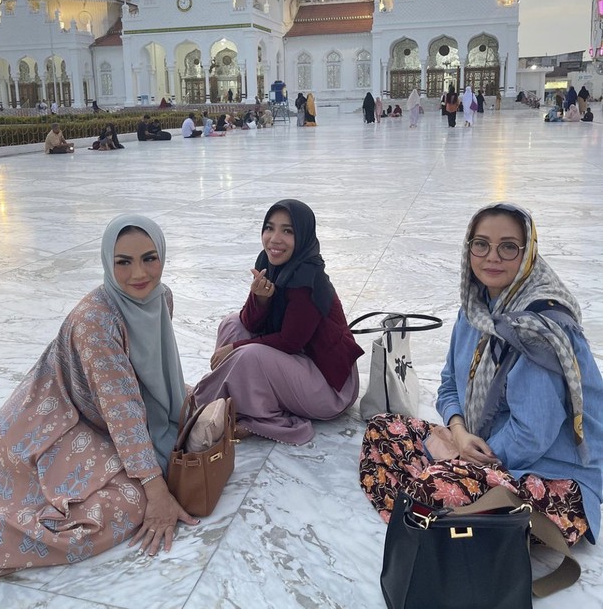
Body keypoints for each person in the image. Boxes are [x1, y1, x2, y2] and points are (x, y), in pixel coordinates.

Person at [0, 215, 198, 586]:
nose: (139, 274)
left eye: (150, 258)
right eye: (123, 262)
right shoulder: (95, 321)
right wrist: (156, 490)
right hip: (45, 426)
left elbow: (147, 376)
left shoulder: (160, 297)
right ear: (106, 262)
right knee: (132, 503)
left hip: (93, 415)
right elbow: (121, 409)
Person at [359, 202, 603, 547]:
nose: (492, 257)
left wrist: (460, 456)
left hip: (551, 474)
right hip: (478, 446)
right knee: (383, 429)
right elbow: (448, 384)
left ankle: (431, 514)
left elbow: (533, 434)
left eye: (508, 247)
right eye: (481, 244)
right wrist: (458, 431)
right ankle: (437, 517)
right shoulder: (475, 309)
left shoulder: (538, 329)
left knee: (433, 486)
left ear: (527, 253)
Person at [193, 199, 364, 444]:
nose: (275, 239)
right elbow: (248, 323)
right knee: (231, 324)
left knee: (247, 355)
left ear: (303, 235)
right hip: (297, 365)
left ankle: (213, 406)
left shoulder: (308, 278)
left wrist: (234, 349)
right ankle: (233, 403)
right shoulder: (268, 261)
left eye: (287, 231)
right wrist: (260, 300)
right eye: (269, 228)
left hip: (328, 387)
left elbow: (290, 341)